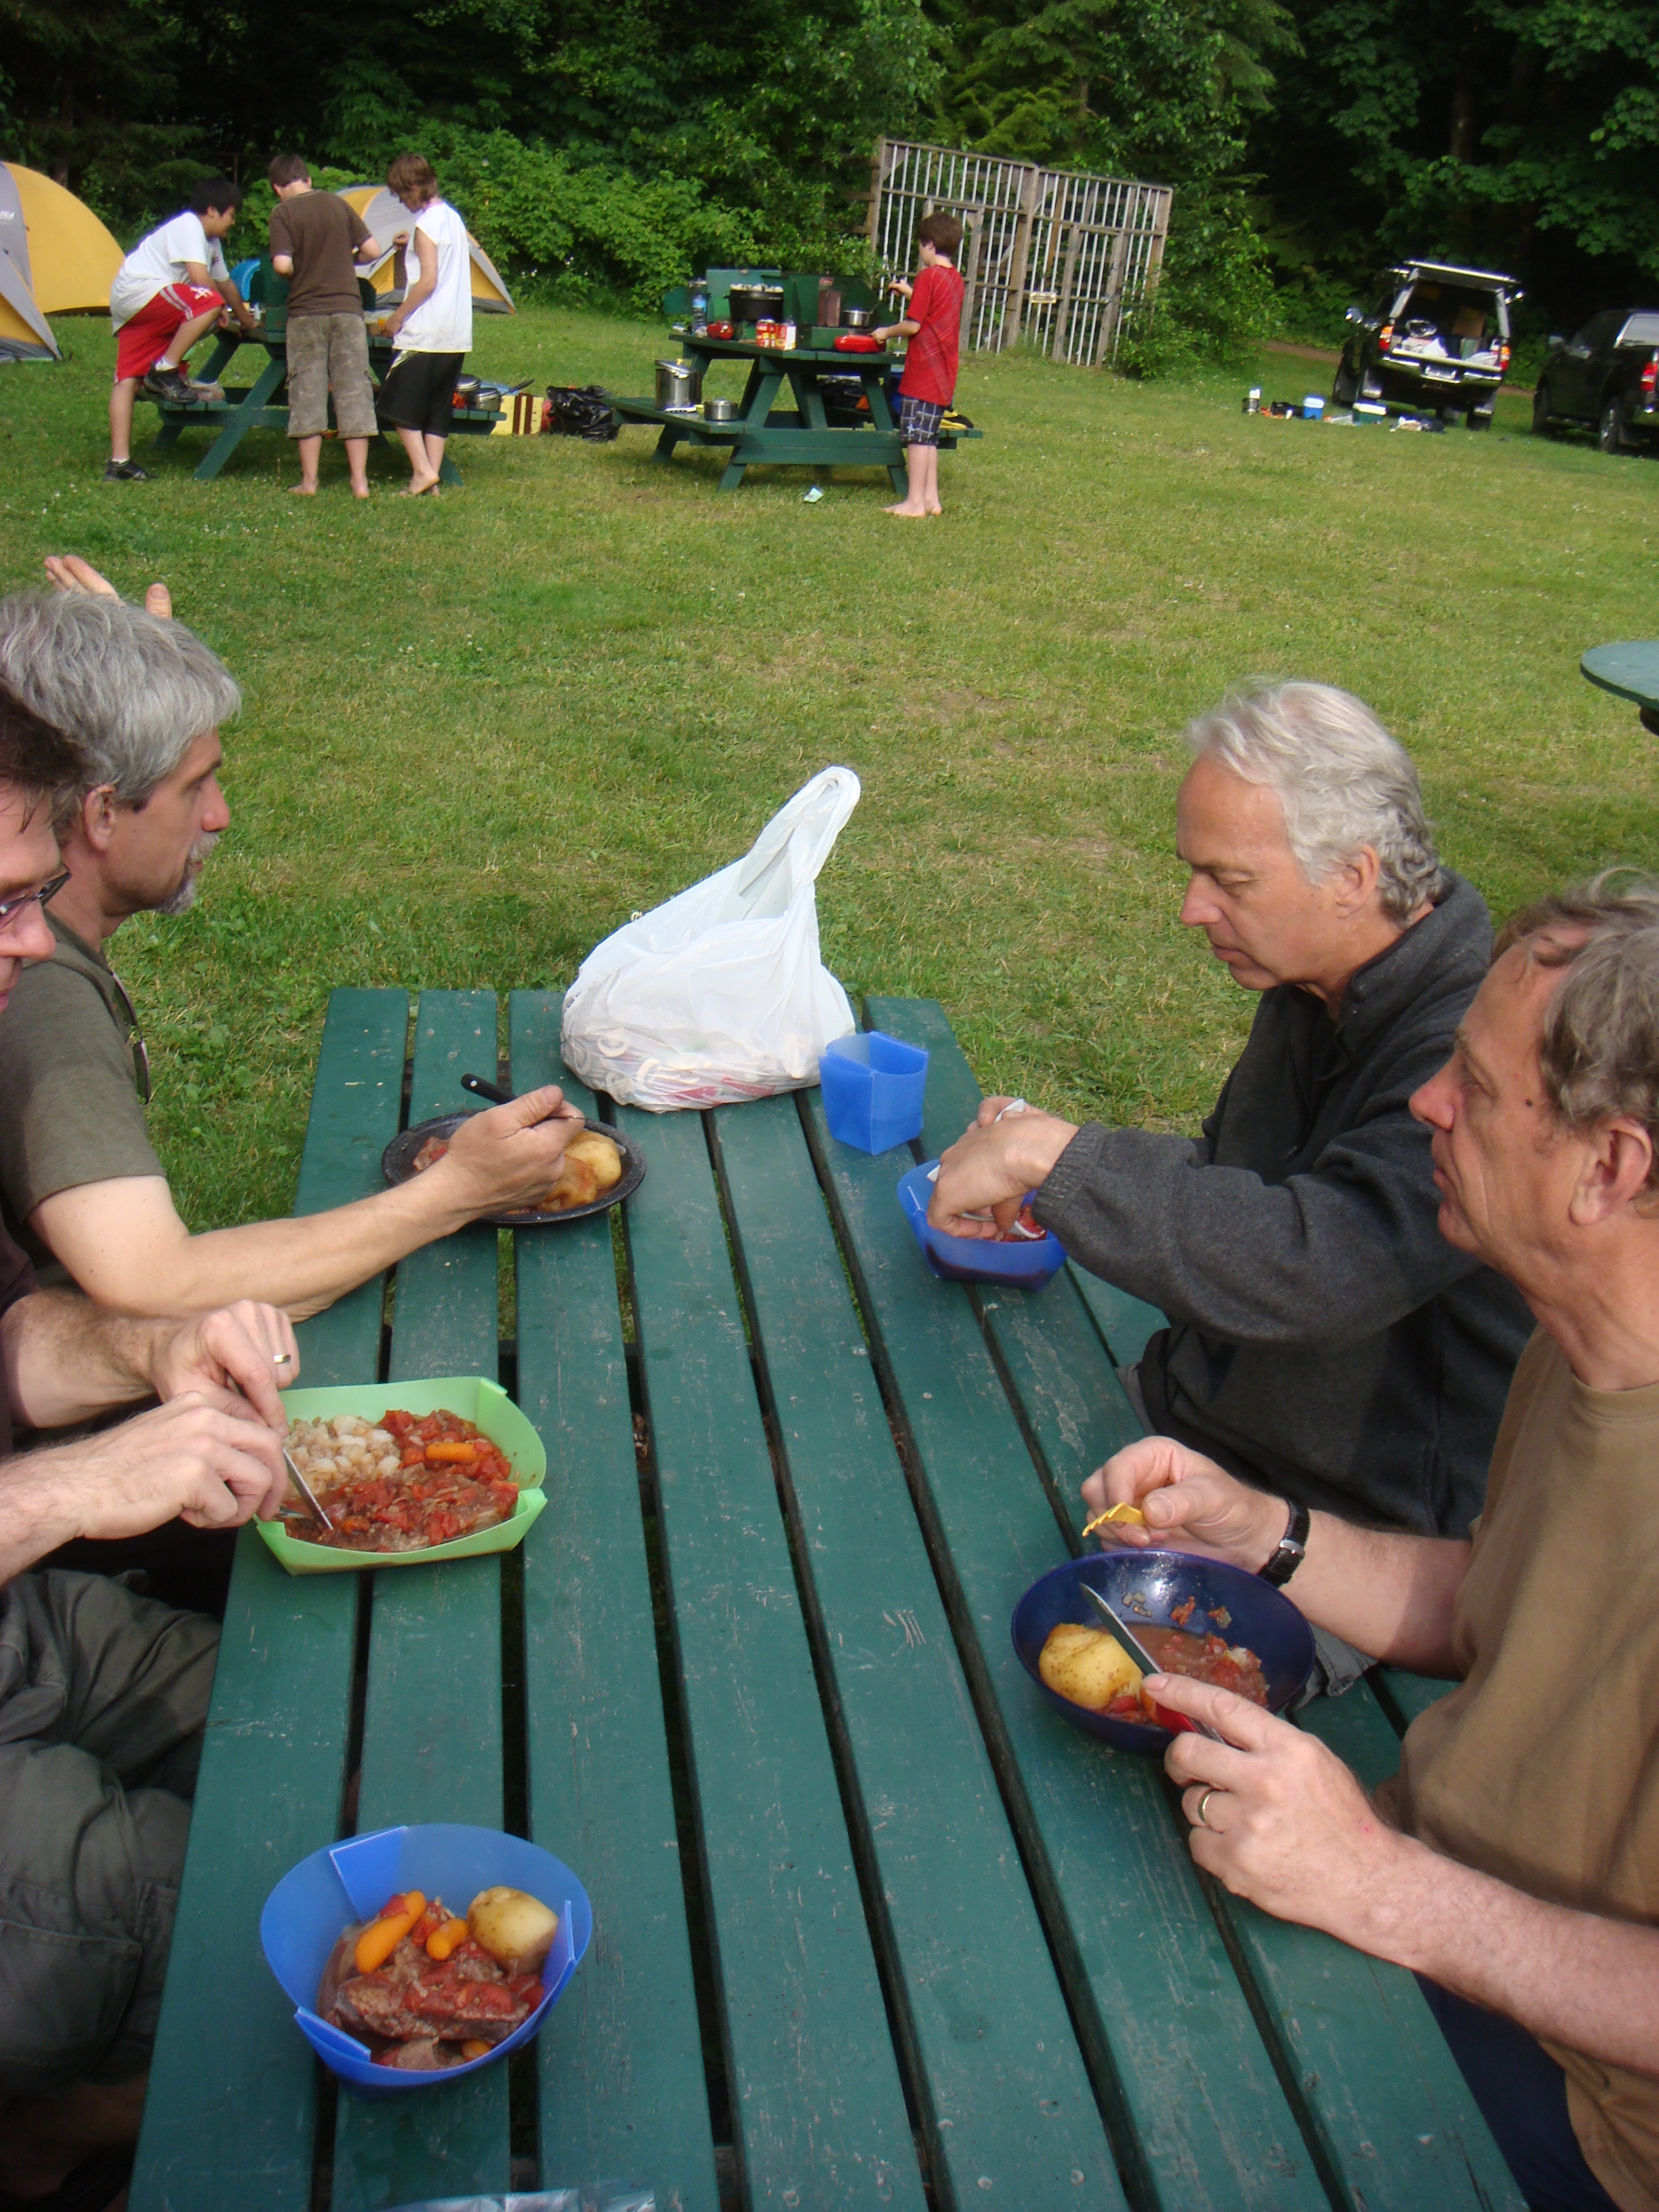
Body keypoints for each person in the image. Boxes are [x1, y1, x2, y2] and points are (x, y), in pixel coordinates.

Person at [1081, 873, 1659, 2212]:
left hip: (1578, 2102)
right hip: (1419, 1891)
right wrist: (1265, 1530)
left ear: (1609, 1166)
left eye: (1474, 1085)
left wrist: (1381, 1885)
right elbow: (1503, 1605)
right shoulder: (1583, 1344)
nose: (1425, 1105)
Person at [929, 682, 1532, 1558]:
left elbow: (1323, 1265)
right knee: (929, 1451)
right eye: (1193, 871)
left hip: (1345, 1528)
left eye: (1231, 880)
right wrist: (1051, 1173)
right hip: (1193, 1416)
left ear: (1353, 877)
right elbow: (1230, 1176)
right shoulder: (1314, 978)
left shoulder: (1472, 1051)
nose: (1192, 909)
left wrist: (1057, 1160)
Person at [0, 669, 298, 2210]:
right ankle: (57, 2131)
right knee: (277, 1918)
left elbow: (15, 1343)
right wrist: (72, 1485)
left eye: (29, 896)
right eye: (2, 905)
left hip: (21, 1627)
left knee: (320, 1739)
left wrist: (142, 1346)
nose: (32, 944)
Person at [0, 567, 586, 1324]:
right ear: (102, 811)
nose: (219, 816)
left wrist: (127, 667)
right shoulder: (39, 993)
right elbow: (152, 1282)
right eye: (194, 785)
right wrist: (457, 1189)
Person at [104, 178, 258, 486]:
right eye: (231, 215)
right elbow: (201, 280)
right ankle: (166, 369)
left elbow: (226, 284)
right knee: (208, 303)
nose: (232, 222)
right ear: (212, 210)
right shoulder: (189, 226)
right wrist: (219, 308)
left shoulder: (211, 243)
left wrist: (247, 321)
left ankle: (119, 463)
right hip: (143, 291)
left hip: (133, 305)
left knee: (127, 379)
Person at [266, 153, 384, 499]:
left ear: (277, 188)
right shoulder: (338, 204)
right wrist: (348, 258)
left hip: (307, 313)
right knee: (354, 389)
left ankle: (310, 482)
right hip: (348, 311)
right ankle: (360, 482)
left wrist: (293, 266)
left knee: (308, 391)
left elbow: (283, 266)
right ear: (308, 179)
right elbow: (373, 249)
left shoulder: (282, 214)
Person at [375, 152, 472, 497]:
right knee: (436, 410)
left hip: (426, 332)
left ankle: (422, 471)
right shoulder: (454, 219)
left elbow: (428, 281)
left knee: (395, 403)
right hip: (455, 332)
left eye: (402, 194)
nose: (402, 201)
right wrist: (408, 251)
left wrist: (397, 317)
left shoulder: (426, 226)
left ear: (415, 188)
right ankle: (432, 481)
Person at [874, 212, 966, 520]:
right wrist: (910, 293)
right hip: (944, 372)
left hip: (923, 370)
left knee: (916, 435)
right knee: (930, 436)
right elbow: (935, 306)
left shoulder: (928, 276)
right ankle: (930, 499)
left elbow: (913, 325)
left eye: (920, 246)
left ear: (929, 245)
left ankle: (913, 503)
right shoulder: (955, 279)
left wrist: (886, 332)